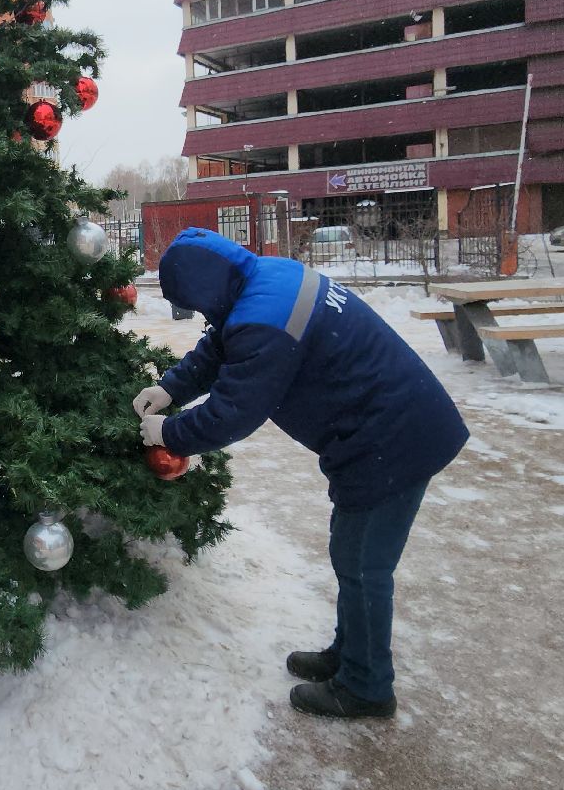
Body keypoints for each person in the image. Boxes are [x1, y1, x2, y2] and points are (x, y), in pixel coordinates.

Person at [134, 227, 467, 719]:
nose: (203, 315)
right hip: (382, 430)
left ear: (206, 289)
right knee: (350, 553)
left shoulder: (262, 320)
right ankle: (351, 653)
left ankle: (367, 686)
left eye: (197, 305)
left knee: (363, 564)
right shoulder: (267, 278)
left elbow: (233, 412)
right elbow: (222, 343)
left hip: (393, 438)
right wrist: (171, 388)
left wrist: (170, 433)